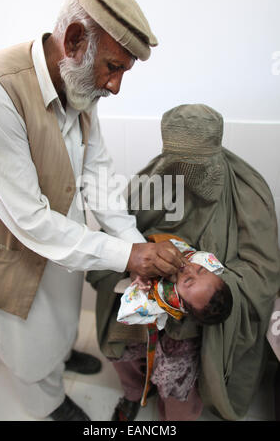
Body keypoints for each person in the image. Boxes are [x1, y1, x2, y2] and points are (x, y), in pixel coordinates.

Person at [0, 0, 185, 421]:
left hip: (66, 247)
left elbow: (99, 176)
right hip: (17, 252)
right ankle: (48, 401)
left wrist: (135, 244)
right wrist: (127, 256)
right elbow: (30, 220)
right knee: (27, 347)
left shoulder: (79, 84)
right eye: (114, 67)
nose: (115, 86)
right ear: (74, 40)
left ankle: (60, 355)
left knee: (59, 322)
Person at [87, 104, 280, 421]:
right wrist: (143, 257)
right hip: (144, 292)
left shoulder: (249, 192)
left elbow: (263, 274)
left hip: (198, 313)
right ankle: (135, 394)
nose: (186, 174)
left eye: (197, 166)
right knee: (124, 338)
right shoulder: (157, 176)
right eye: (178, 163)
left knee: (179, 385)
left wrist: (205, 283)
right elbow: (121, 230)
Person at [118, 236, 233, 329]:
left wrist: (139, 276)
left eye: (188, 280)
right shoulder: (200, 259)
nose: (189, 269)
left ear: (181, 302)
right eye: (201, 270)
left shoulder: (157, 300)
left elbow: (134, 273)